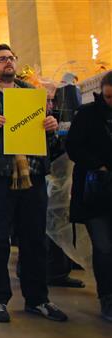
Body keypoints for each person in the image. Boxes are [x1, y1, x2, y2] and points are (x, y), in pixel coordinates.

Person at [0, 44, 68, 323]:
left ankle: (38, 298)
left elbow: (49, 145)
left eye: (11, 58)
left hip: (31, 175)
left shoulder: (33, 96)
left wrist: (51, 129)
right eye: (1, 59)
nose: (8, 62)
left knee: (34, 240)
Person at [66, 70, 112, 322]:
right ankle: (107, 297)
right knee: (103, 247)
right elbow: (73, 147)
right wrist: (99, 166)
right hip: (96, 192)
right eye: (107, 97)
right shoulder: (87, 114)